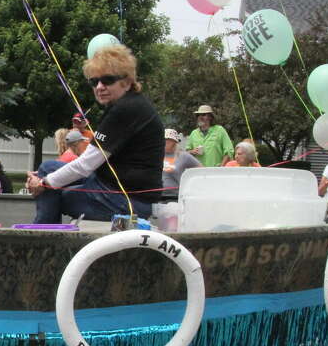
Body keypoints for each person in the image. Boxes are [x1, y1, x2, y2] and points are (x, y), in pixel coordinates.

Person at [25, 45, 163, 222]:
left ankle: (44, 241)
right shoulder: (131, 103)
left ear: (127, 82)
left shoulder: (124, 110)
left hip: (126, 202)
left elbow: (85, 165)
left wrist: (43, 183)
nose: (99, 87)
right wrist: (43, 178)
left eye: (107, 80)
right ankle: (45, 233)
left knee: (55, 191)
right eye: (94, 81)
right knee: (47, 170)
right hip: (114, 188)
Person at [161, 129, 200, 201]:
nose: (165, 142)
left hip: (175, 197)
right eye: (163, 139)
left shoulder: (183, 156)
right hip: (157, 196)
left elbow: (201, 170)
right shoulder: (157, 155)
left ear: (174, 141)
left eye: (168, 139)